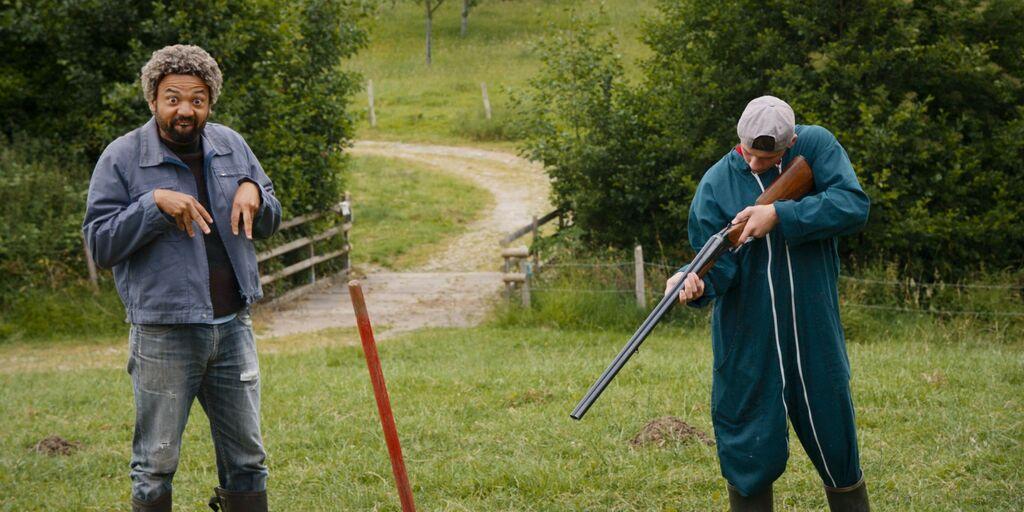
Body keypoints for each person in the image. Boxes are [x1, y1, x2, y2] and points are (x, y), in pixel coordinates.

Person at [83, 44, 281, 512]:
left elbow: (269, 216)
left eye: (197, 99)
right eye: (173, 98)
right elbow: (100, 243)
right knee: (155, 465)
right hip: (163, 332)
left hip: (232, 328)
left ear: (210, 102)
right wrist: (152, 205)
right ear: (153, 99)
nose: (185, 110)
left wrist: (255, 190)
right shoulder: (122, 157)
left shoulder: (232, 145)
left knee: (248, 459)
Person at [665, 96, 870, 511]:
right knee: (747, 452)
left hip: (814, 332)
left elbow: (852, 205)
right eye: (749, 154)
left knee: (835, 440)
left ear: (791, 142)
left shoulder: (816, 146)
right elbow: (718, 269)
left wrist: (780, 214)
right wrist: (693, 279)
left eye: (768, 157)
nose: (756, 164)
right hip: (748, 341)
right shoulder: (716, 184)